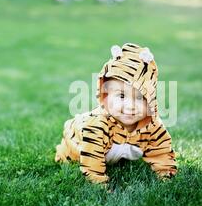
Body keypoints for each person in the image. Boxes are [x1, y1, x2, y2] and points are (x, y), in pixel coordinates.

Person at [55, 42, 177, 186]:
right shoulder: (96, 125)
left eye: (139, 97)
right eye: (121, 96)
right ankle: (67, 154)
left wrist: (166, 174)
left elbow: (161, 151)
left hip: (117, 146)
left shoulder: (152, 127)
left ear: (150, 99)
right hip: (79, 143)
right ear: (106, 95)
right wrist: (98, 183)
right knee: (72, 155)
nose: (130, 106)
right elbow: (91, 162)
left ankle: (118, 153)